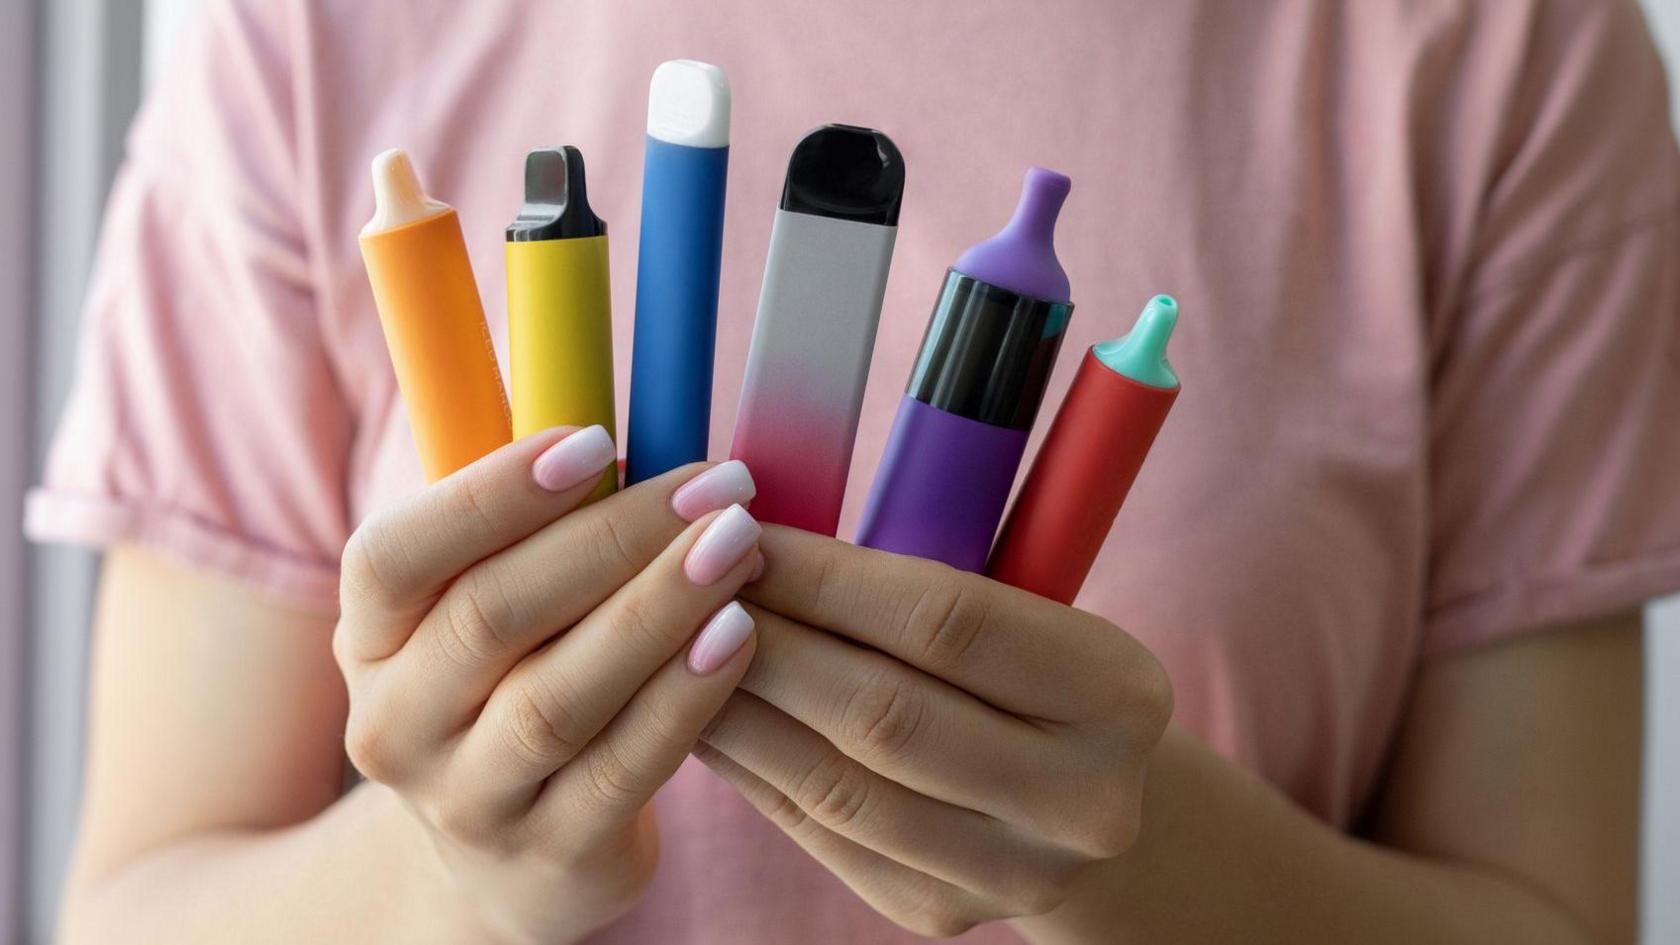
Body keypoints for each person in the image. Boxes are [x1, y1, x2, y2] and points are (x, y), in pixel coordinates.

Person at [28, 0, 1680, 942]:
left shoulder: (1497, 48)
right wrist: (451, 868)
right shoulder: (303, 37)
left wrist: (1131, 850)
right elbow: (135, 909)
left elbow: (1555, 913)